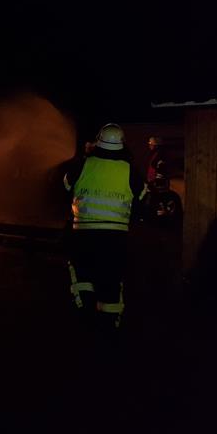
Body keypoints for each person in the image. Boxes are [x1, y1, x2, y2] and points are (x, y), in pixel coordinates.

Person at [63, 123, 145, 332]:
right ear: (122, 144)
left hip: (83, 234)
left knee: (83, 274)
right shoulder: (130, 170)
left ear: (97, 142)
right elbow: (142, 199)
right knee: (111, 278)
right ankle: (110, 326)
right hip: (116, 237)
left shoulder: (83, 164)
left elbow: (64, 187)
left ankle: (83, 316)